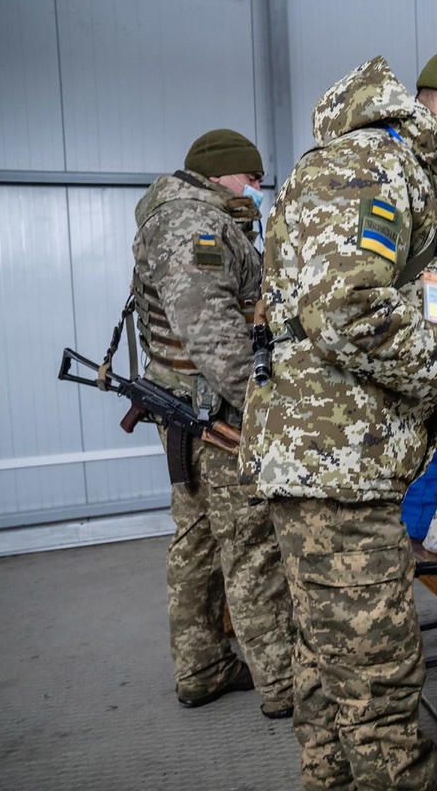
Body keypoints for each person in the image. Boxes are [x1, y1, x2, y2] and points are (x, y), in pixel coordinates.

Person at [239, 47, 437, 790]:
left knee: (327, 664)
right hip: (332, 471)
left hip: (354, 469)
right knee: (379, 682)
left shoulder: (417, 189)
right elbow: (347, 313)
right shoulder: (363, 169)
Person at [131, 129, 294, 718]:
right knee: (251, 545)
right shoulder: (193, 225)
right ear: (221, 173)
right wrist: (269, 410)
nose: (256, 189)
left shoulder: (187, 217)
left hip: (188, 409)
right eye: (250, 178)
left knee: (196, 539)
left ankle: (201, 666)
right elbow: (215, 335)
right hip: (215, 415)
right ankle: (283, 683)